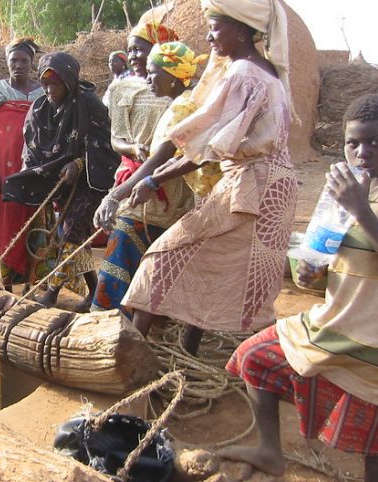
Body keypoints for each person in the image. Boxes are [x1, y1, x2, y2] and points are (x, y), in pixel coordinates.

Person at [121, 0, 298, 355]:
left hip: (250, 187)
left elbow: (205, 147)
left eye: (215, 28)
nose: (208, 36)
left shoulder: (242, 74)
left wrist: (151, 181)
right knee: (245, 278)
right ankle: (252, 364)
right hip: (275, 189)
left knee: (161, 259)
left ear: (242, 29)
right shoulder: (268, 71)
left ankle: (131, 365)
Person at [222, 93, 378, 482]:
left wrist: (360, 209)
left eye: (375, 142)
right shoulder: (350, 189)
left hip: (372, 338)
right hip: (334, 322)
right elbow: (325, 260)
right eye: (353, 142)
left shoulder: (357, 197)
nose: (363, 152)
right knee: (255, 357)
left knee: (374, 446)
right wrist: (311, 271)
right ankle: (269, 451)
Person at [91, 42, 205, 314]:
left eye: (154, 72)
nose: (148, 77)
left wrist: (114, 196)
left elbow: (158, 160)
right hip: (156, 199)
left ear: (175, 77)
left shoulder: (183, 110)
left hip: (161, 203)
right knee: (147, 271)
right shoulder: (179, 103)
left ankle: (108, 324)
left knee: (124, 255)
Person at [2, 52, 120, 311]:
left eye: (55, 84)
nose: (48, 90)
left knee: (69, 237)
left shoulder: (88, 104)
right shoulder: (40, 109)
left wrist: (79, 164)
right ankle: (93, 293)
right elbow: (32, 149)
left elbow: (106, 145)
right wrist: (32, 176)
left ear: (68, 81)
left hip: (90, 183)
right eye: (44, 84)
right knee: (76, 239)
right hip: (61, 184)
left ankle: (51, 293)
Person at [0, 38, 44, 290]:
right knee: (5, 220)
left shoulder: (42, 92)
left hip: (34, 167)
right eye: (14, 60)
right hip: (2, 169)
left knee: (32, 218)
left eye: (24, 60)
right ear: (7, 62)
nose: (19, 65)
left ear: (31, 63)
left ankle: (31, 282)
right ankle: (7, 283)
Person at [108, 20, 179, 189]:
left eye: (138, 50)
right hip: (134, 176)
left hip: (171, 175)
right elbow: (116, 139)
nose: (132, 56)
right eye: (129, 51)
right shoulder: (121, 89)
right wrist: (133, 148)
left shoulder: (175, 86)